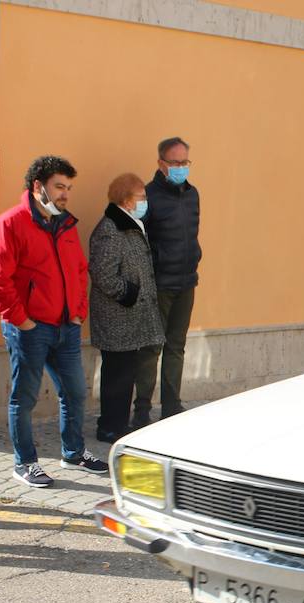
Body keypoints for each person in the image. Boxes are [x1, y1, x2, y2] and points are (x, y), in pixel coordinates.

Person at [0, 155, 109, 488]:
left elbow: (79, 270)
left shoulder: (65, 225)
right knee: (24, 398)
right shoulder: (10, 224)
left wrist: (79, 312)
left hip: (66, 327)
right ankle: (25, 463)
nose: (65, 194)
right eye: (59, 187)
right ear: (38, 187)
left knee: (76, 392)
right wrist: (21, 321)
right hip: (30, 330)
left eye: (68, 187)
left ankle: (74, 453)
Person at [88, 173, 164, 442]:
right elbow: (103, 274)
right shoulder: (110, 229)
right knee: (116, 376)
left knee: (125, 374)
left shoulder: (130, 224)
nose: (145, 202)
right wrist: (129, 293)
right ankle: (110, 427)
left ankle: (117, 424)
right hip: (117, 316)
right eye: (141, 197)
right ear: (127, 200)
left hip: (129, 318)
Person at [141, 136, 202, 419]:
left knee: (176, 346)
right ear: (161, 164)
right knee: (152, 348)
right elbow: (140, 242)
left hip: (186, 281)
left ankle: (171, 406)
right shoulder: (148, 196)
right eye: (175, 162)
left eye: (185, 162)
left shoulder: (192, 194)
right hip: (160, 284)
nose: (181, 167)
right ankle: (141, 410)